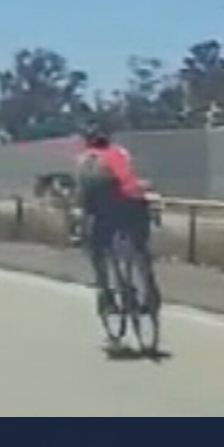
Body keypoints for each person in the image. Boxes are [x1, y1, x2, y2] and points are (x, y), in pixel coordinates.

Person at [74, 120, 158, 313]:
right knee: (140, 247)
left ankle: (106, 294)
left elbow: (84, 193)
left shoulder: (85, 159)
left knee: (96, 249)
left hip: (103, 210)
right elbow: (129, 178)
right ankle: (150, 286)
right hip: (131, 203)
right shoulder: (120, 153)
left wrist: (81, 219)